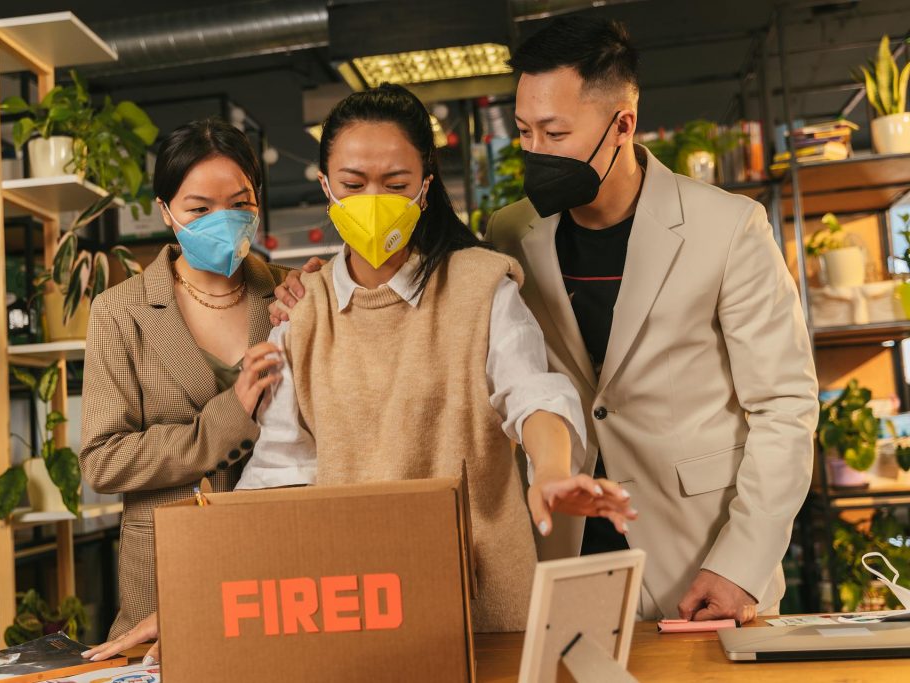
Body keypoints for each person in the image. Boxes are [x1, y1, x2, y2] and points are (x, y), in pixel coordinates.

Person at [273, 17, 818, 624]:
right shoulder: (511, 233)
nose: (535, 150)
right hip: (561, 546)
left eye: (554, 132)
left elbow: (784, 408)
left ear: (623, 125)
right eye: (525, 130)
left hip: (700, 548)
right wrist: (307, 293)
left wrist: (739, 564)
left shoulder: (728, 228)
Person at [81, 84, 636, 663]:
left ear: (425, 186)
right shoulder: (303, 311)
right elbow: (275, 475)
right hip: (355, 609)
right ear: (325, 187)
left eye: (395, 185)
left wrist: (549, 467)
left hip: (483, 606)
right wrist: (202, 597)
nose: (374, 200)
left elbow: (533, 391)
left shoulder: (479, 285)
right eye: (352, 184)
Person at [79, 117, 287, 652]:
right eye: (200, 208)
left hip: (281, 566)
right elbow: (102, 460)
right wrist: (225, 418)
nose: (225, 219)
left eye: (240, 203)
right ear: (166, 211)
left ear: (258, 201)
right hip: (168, 573)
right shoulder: (121, 311)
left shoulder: (289, 293)